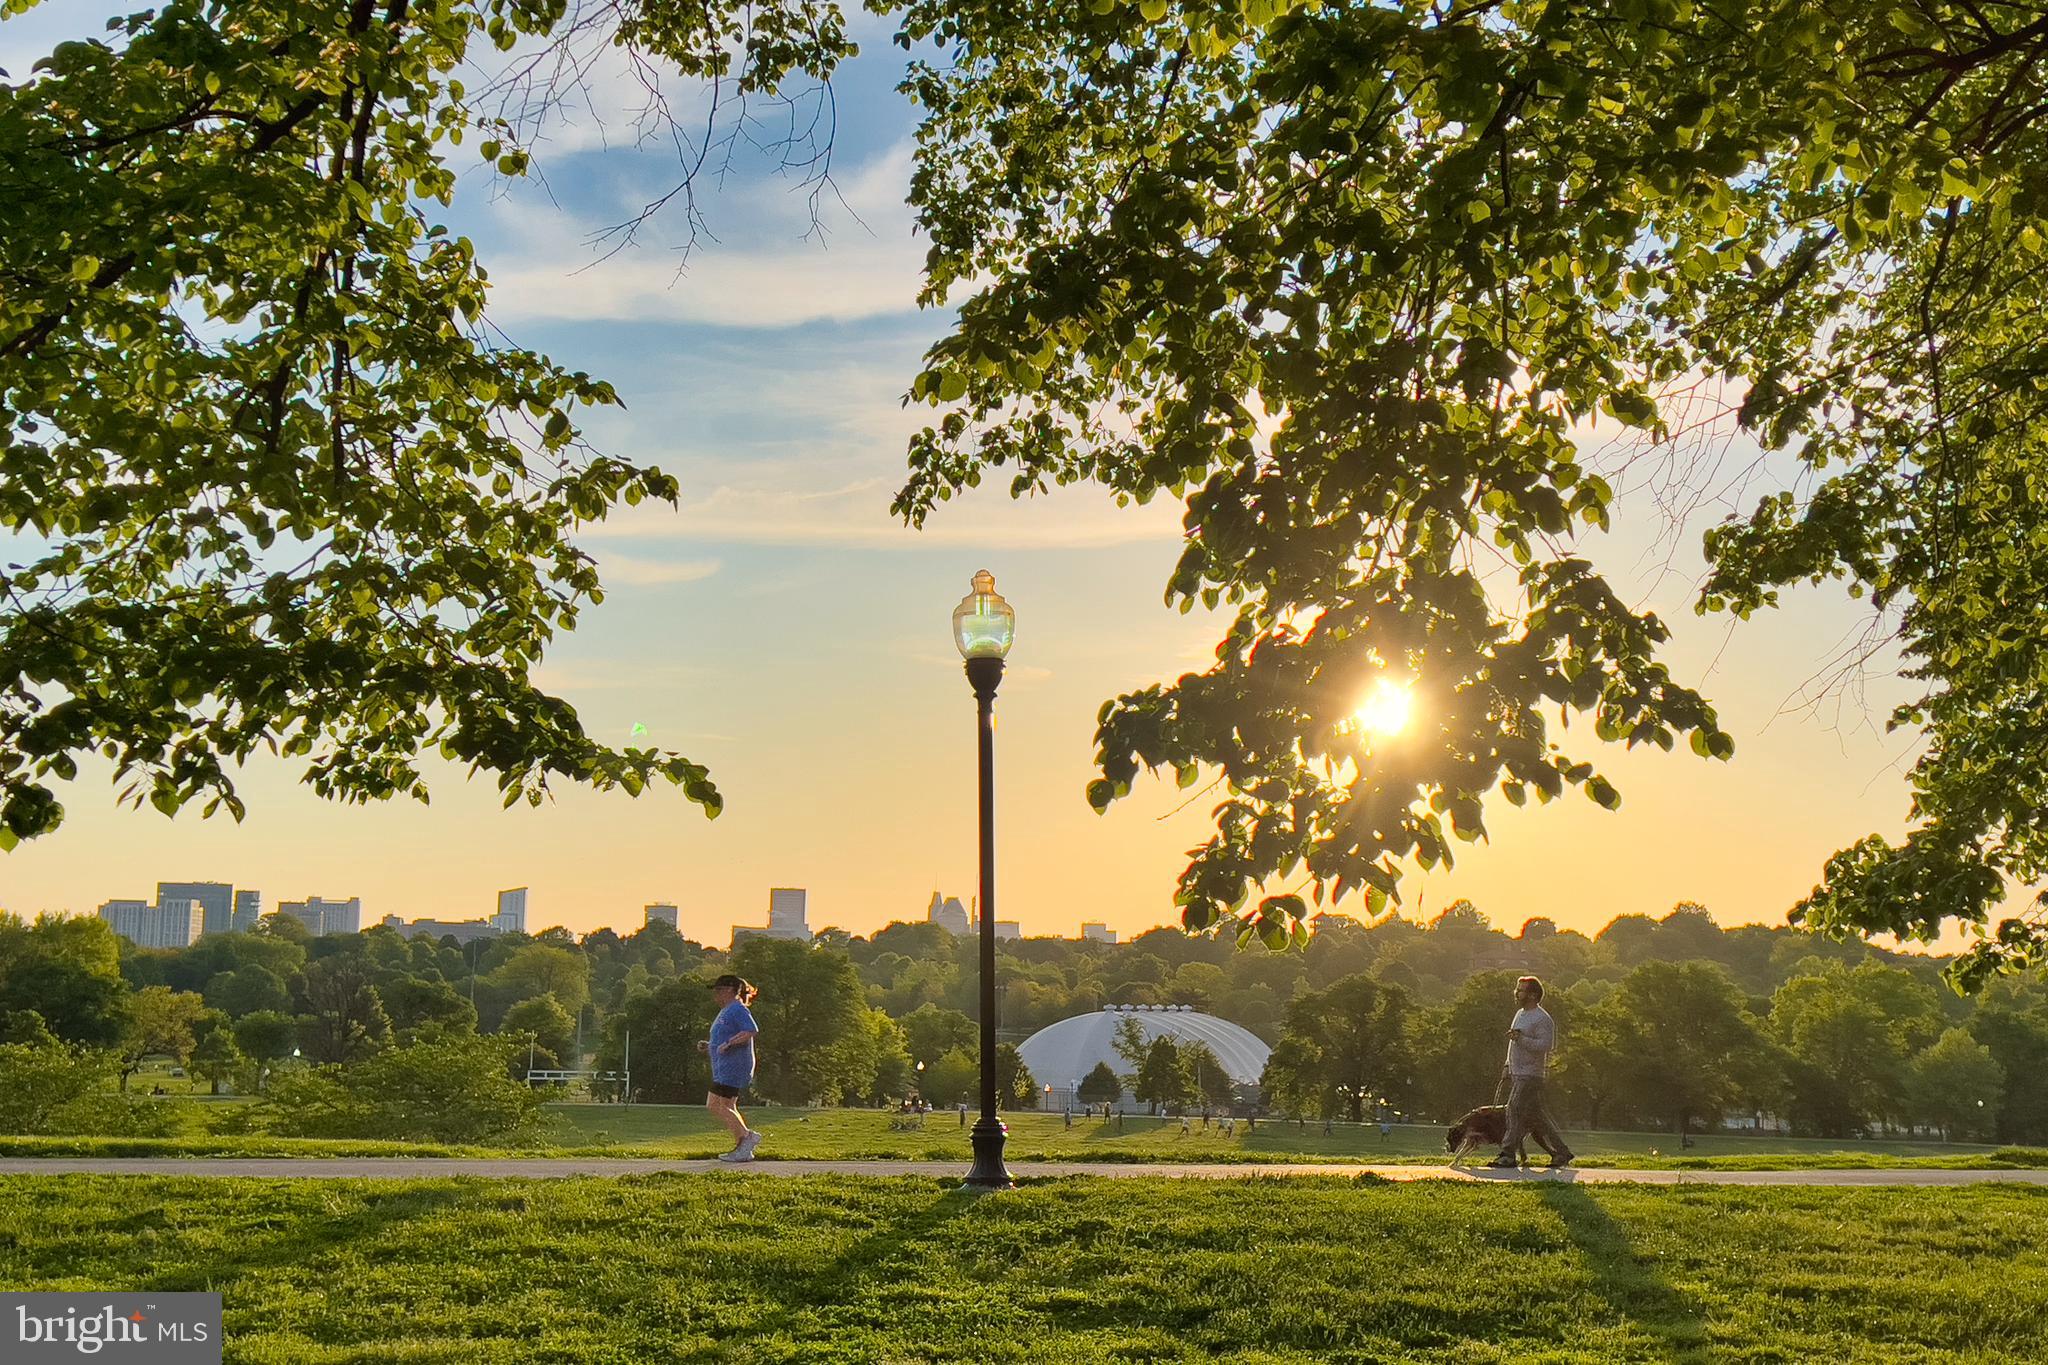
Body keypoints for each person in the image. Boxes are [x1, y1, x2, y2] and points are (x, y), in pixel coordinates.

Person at [1490, 975, 1574, 1169]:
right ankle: (1562, 1152)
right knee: (1537, 1118)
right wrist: (1507, 1065)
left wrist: (1521, 1039)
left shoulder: (1542, 1018)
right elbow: (1513, 1042)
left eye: (1521, 990)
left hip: (1531, 1074)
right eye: (1517, 989)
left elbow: (1546, 1046)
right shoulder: (1520, 1014)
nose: (1516, 992)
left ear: (1533, 995)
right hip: (1518, 1072)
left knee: (1513, 1109)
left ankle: (1507, 1154)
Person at [698, 974, 762, 1163]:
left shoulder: (737, 1009)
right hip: (723, 1067)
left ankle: (747, 1138)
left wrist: (728, 1044)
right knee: (722, 1105)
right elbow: (723, 1037)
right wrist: (709, 1045)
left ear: (728, 990)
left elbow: (751, 1030)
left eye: (717, 991)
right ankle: (743, 1146)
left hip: (734, 1067)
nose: (715, 995)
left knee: (718, 1105)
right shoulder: (727, 1010)